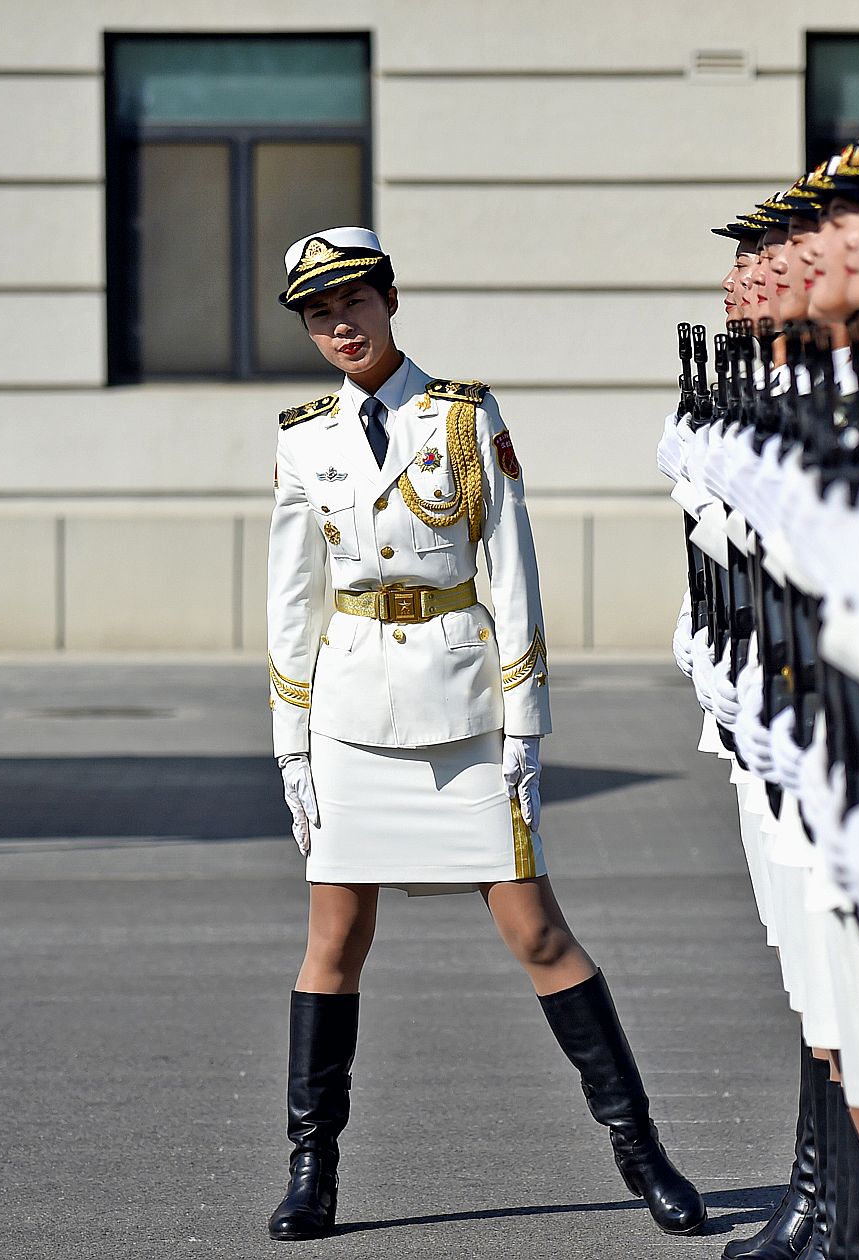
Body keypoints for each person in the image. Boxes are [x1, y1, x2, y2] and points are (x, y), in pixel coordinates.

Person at [262, 226, 705, 1241]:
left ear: (390, 299)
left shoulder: (463, 415)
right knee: (334, 940)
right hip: (348, 716)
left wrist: (526, 728)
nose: (341, 325)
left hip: (464, 707)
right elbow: (291, 600)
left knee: (537, 931)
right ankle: (312, 1170)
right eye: (320, 313)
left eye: (355, 301)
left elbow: (512, 571)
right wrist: (290, 742)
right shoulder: (302, 438)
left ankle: (643, 1154)